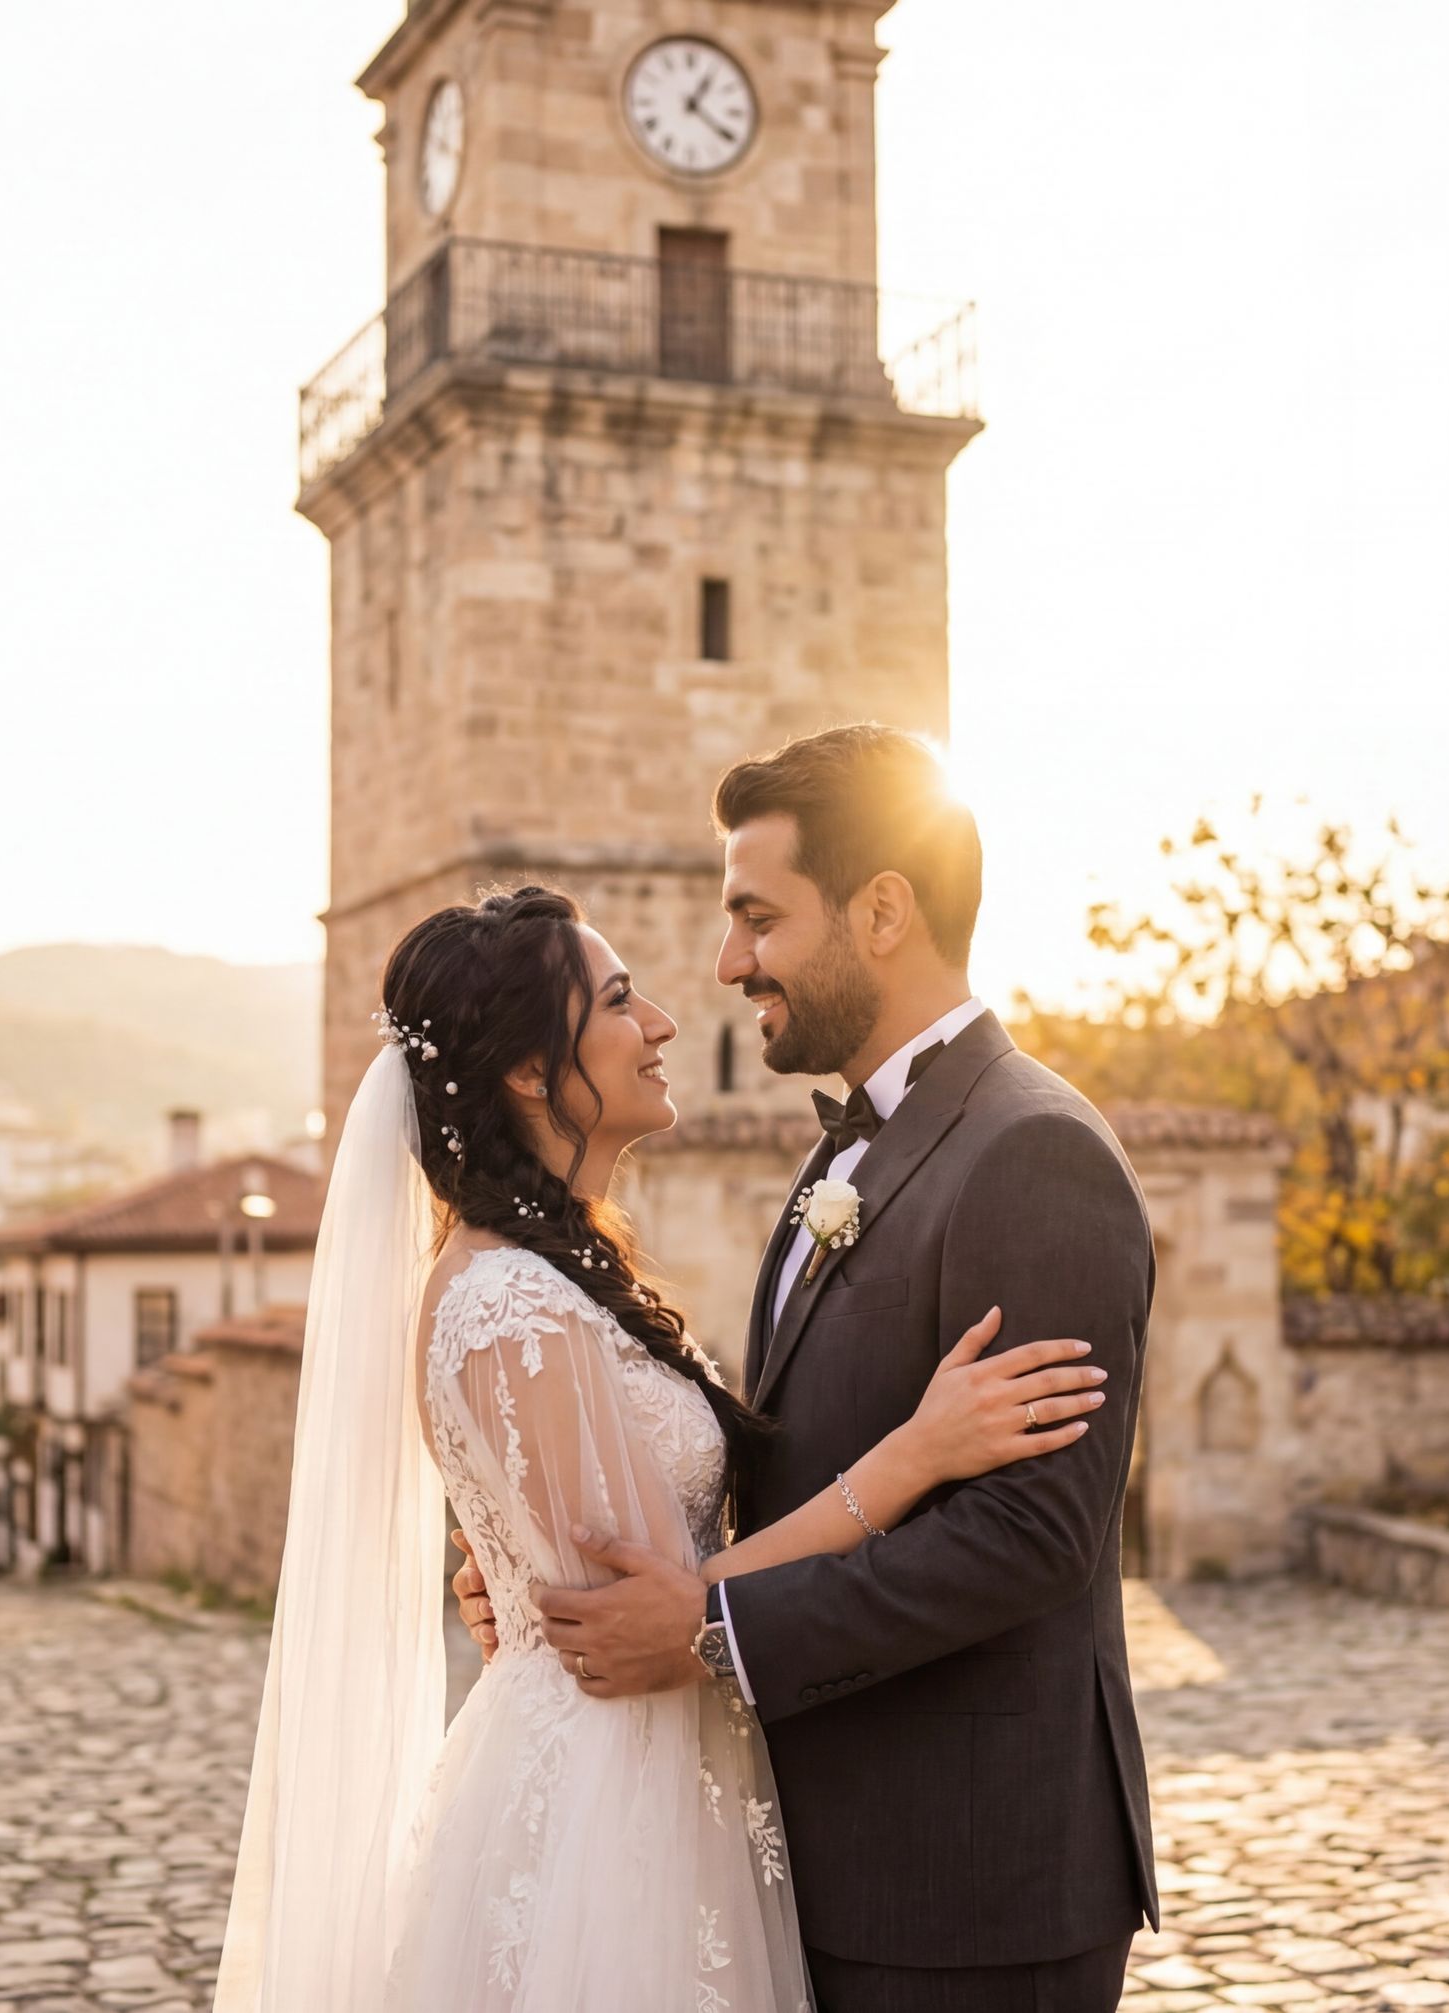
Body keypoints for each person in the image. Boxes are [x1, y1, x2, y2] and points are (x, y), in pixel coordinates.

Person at [213, 883, 1105, 2013]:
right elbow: (657, 1611)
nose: (668, 1022)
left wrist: (521, 1579)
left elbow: (628, 1579)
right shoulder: (511, 1304)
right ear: (533, 1072)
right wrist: (916, 1455)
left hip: (651, 1758)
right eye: (622, 1001)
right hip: (610, 1795)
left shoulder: (556, 1274)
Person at [458, 726, 1160, 2013]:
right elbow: (790, 1462)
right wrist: (551, 1550)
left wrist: (710, 1624)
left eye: (758, 918)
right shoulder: (849, 1152)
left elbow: (1033, 1535)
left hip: (966, 1878)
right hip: (814, 1851)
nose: (729, 963)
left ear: (882, 911)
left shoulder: (1033, 1153)